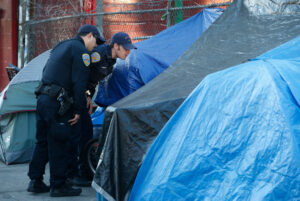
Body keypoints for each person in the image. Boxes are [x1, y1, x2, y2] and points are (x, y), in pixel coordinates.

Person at [27, 24, 103, 197]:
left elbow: (47, 70)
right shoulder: (82, 52)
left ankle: (35, 181)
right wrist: (78, 110)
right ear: (89, 35)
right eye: (95, 41)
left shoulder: (62, 45)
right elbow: (79, 83)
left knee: (42, 141)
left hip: (43, 98)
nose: (96, 46)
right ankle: (59, 185)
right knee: (59, 142)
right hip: (57, 103)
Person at [69, 32, 137, 186]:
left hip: (83, 95)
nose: (128, 52)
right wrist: (83, 95)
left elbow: (93, 81)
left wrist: (88, 95)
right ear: (116, 46)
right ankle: (73, 175)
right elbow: (82, 74)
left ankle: (82, 173)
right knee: (77, 134)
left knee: (85, 132)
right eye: (125, 48)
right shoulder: (98, 55)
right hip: (75, 94)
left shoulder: (111, 61)